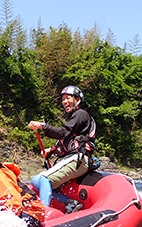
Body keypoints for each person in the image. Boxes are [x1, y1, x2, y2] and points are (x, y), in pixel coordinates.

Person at [28, 85, 96, 213]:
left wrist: (42, 126)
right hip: (72, 159)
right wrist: (52, 150)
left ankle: (44, 212)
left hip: (78, 160)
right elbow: (66, 141)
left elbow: (62, 132)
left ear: (77, 99)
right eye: (63, 99)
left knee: (44, 179)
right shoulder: (74, 118)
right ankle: (69, 202)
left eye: (68, 98)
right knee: (36, 181)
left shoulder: (81, 114)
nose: (65, 102)